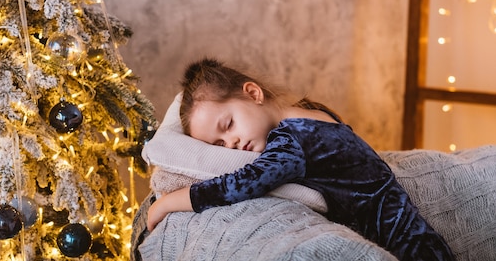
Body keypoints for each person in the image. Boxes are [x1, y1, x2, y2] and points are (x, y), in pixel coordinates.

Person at [147, 58, 454, 261]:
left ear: (253, 93)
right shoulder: (315, 113)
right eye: (219, 144)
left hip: (404, 247)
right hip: (419, 238)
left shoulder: (291, 141)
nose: (232, 144)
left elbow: (240, 185)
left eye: (228, 126)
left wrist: (167, 202)